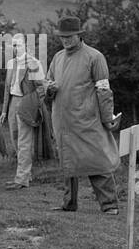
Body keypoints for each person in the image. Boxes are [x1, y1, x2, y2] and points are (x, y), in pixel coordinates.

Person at [45, 16, 120, 214]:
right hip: (62, 121)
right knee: (67, 161)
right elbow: (46, 83)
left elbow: (104, 90)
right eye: (62, 37)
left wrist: (107, 118)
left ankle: (109, 204)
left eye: (69, 36)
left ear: (79, 35)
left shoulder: (95, 57)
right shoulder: (57, 58)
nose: (66, 40)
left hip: (87, 120)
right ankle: (69, 203)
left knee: (97, 159)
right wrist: (49, 89)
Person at [1, 34, 46, 190]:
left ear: (26, 46)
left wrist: (33, 105)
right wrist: (4, 111)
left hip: (26, 103)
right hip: (13, 102)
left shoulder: (34, 63)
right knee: (14, 139)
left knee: (24, 141)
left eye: (18, 45)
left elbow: (41, 87)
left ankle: (21, 179)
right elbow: (7, 88)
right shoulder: (11, 63)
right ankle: (26, 173)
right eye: (13, 45)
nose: (15, 48)